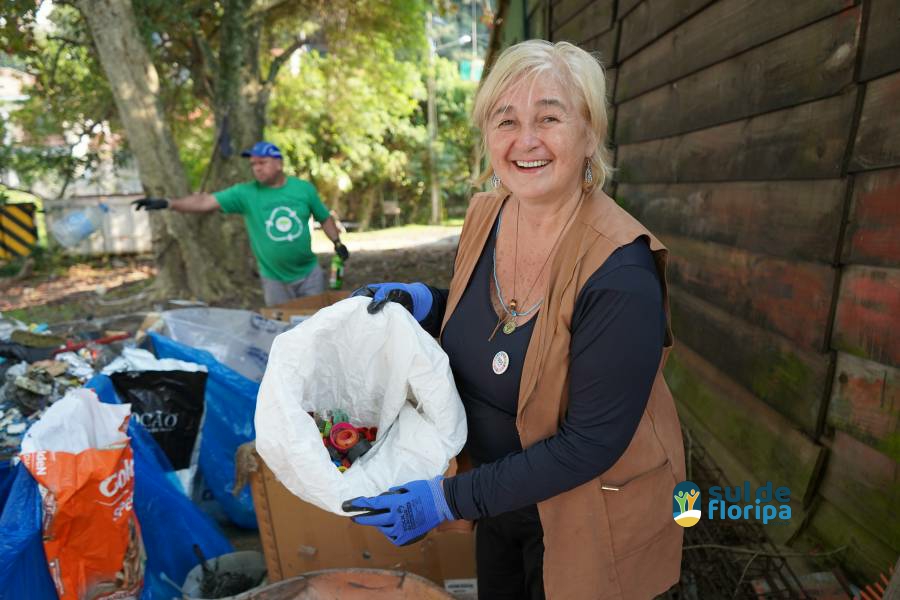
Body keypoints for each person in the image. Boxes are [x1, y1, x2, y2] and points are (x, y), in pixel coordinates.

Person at [348, 40, 685, 599]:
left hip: (585, 510)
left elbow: (590, 444)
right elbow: (484, 317)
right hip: (497, 496)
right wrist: (425, 302)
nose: (525, 140)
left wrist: (444, 500)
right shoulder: (490, 213)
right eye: (506, 120)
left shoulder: (621, 273)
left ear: (589, 134)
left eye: (549, 118)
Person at [132, 141, 349, 305]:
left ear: (279, 163)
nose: (256, 168)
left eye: (262, 163)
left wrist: (337, 243)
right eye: (253, 164)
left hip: (309, 274)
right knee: (283, 329)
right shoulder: (246, 193)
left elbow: (324, 217)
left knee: (318, 324)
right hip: (274, 279)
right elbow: (206, 201)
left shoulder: (303, 189)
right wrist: (168, 203)